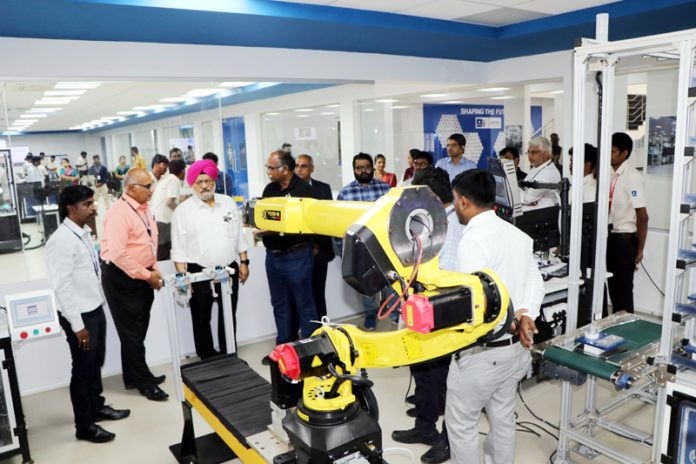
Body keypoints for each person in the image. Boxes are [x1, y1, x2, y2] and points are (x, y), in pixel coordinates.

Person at [446, 169, 544, 464]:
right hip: (515, 351)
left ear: (463, 201)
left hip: (482, 356)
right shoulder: (517, 234)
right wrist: (526, 314)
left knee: (462, 425)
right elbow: (535, 282)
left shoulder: (473, 240)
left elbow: (479, 302)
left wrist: (512, 319)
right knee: (502, 417)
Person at [46, 185, 130, 444]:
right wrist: (77, 325)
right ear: (71, 208)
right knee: (82, 371)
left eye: (93, 202)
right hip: (79, 317)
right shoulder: (61, 241)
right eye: (88, 204)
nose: (93, 207)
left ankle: (96, 406)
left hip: (94, 309)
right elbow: (62, 286)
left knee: (95, 364)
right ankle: (84, 425)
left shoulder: (82, 232)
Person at [392, 167, 461, 464]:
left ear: (431, 195)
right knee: (423, 374)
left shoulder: (457, 227)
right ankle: (424, 427)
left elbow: (451, 274)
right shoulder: (428, 221)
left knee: (447, 383)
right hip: (421, 311)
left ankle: (448, 441)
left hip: (445, 317)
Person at [100, 167, 168, 402]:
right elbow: (118, 254)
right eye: (148, 186)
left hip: (142, 273)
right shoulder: (119, 213)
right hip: (122, 277)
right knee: (132, 334)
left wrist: (153, 267)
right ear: (131, 189)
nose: (152, 190)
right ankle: (144, 382)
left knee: (136, 331)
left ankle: (132, 376)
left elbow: (150, 241)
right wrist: (146, 274)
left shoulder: (144, 208)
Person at [171, 159, 249, 358]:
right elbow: (178, 249)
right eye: (199, 182)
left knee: (228, 314)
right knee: (201, 316)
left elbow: (239, 235)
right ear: (192, 184)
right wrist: (184, 277)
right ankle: (206, 357)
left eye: (208, 180)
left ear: (214, 180)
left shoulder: (228, 202)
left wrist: (244, 261)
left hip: (229, 268)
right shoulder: (183, 211)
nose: (205, 185)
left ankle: (229, 352)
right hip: (199, 271)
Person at [261, 150, 318, 344]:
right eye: (267, 167)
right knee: (279, 304)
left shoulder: (304, 192)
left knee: (305, 305)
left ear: (285, 169)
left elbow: (309, 226)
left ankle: (311, 351)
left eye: (271, 167)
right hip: (273, 257)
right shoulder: (269, 190)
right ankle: (284, 348)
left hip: (297, 256)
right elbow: (264, 219)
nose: (268, 171)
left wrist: (276, 230)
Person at [336, 153, 391, 330]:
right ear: (354, 170)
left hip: (385, 245)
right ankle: (370, 315)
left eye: (366, 167)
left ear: (372, 168)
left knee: (392, 282)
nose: (363, 170)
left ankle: (397, 313)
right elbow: (340, 225)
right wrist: (343, 252)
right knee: (368, 285)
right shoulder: (345, 192)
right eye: (359, 167)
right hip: (361, 248)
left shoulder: (385, 188)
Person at [607, 132, 648, 314]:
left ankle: (627, 334)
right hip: (612, 239)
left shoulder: (632, 177)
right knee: (614, 290)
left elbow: (643, 215)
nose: (609, 154)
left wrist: (640, 249)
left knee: (623, 292)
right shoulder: (613, 175)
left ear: (624, 153)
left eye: (613, 151)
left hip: (625, 241)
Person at [295, 154, 335, 320]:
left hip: (319, 251)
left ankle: (321, 328)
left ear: (312, 168)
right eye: (297, 166)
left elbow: (327, 219)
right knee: (300, 294)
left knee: (318, 292)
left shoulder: (323, 188)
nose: (299, 169)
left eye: (304, 166)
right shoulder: (289, 190)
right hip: (297, 251)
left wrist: (316, 246)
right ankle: (303, 329)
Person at [150, 159, 185, 261]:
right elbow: (169, 202)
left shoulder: (166, 179)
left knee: (160, 251)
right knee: (164, 252)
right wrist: (180, 212)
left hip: (156, 219)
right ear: (182, 171)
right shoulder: (175, 180)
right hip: (163, 221)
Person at [521, 136, 561, 211]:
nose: (529, 156)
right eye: (528, 152)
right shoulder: (536, 167)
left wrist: (526, 199)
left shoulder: (549, 172)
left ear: (545, 154)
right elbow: (523, 188)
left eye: (533, 152)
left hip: (541, 218)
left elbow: (528, 198)